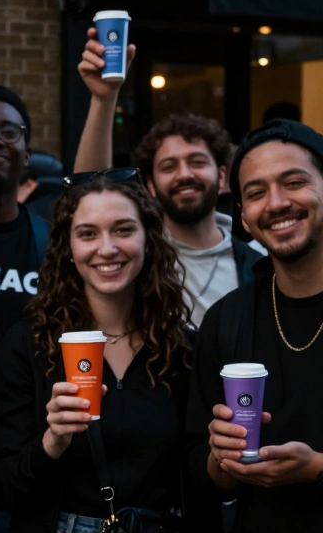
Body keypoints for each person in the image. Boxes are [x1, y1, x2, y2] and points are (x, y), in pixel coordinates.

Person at [0, 170, 220, 533]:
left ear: (148, 238)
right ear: (67, 248)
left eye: (123, 229)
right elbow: (1, 485)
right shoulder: (28, 345)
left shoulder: (182, 351)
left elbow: (198, 491)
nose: (106, 248)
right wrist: (51, 442)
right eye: (88, 233)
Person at [186, 119, 323, 533]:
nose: (277, 203)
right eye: (256, 192)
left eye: (294, 182)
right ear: (242, 215)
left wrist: (316, 468)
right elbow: (197, 471)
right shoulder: (227, 320)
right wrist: (221, 460)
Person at [74, 28, 263, 327]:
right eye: (168, 166)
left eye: (197, 162)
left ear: (223, 176)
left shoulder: (260, 261)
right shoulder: (132, 253)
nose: (184, 174)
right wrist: (104, 99)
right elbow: (89, 190)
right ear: (149, 185)